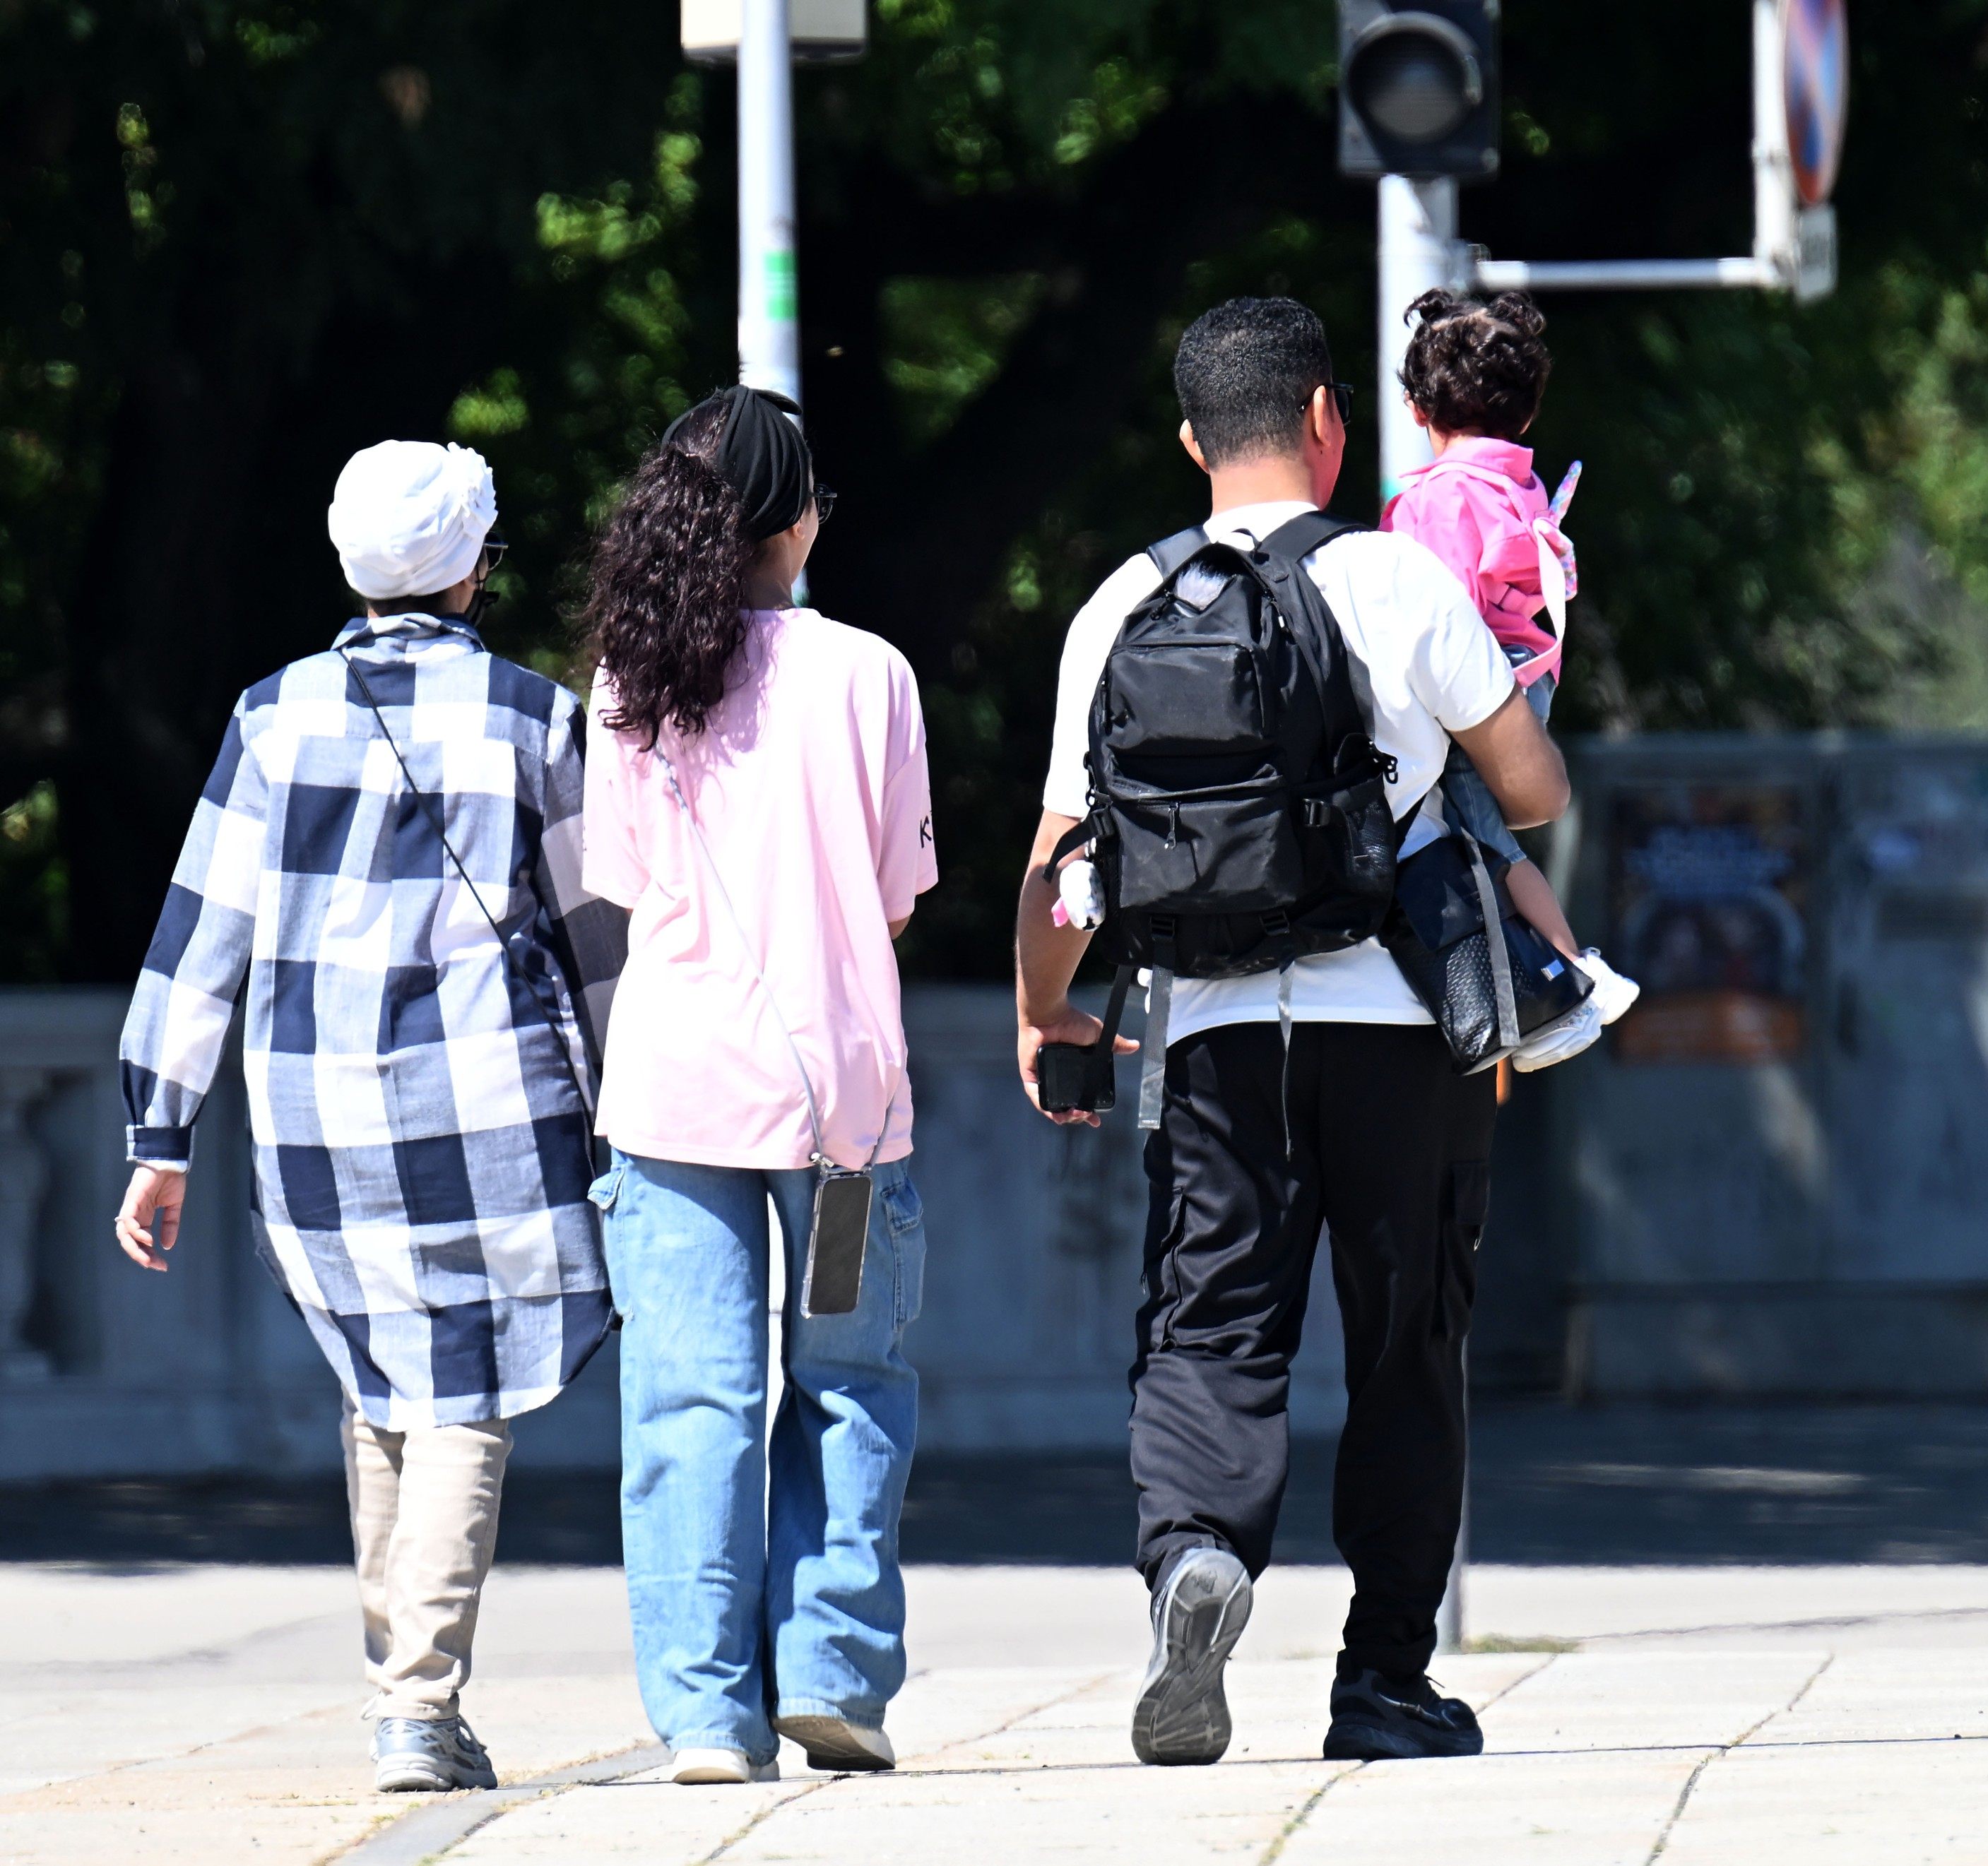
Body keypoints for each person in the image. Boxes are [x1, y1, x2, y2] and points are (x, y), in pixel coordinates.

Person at [1014, 297, 1571, 1766]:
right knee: (1406, 1343)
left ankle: (1196, 1551)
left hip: (1206, 1034)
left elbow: (1060, 858)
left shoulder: (1118, 605)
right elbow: (1532, 791)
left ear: (1192, 437)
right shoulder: (1395, 580)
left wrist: (1048, 1011)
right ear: (1329, 420)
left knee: (1209, 1321)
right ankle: (1384, 1678)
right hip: (1398, 1021)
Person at [114, 441, 625, 1794]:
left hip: (311, 1114)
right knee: (463, 1390)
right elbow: (598, 943)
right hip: (489, 1104)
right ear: (470, 567)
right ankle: (417, 1704)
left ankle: (408, 1702)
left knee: (386, 1384)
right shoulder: (532, 716)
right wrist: (631, 1104)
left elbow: (200, 932)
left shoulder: (271, 715)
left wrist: (158, 1130)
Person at [579, 385, 938, 1787]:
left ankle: (706, 1716)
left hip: (672, 1091)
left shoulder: (630, 677)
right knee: (849, 1379)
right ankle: (838, 1675)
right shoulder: (871, 673)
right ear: (797, 519)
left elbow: (621, 886)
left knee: (688, 1402)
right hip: (841, 1105)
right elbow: (900, 897)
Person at [1383, 287, 1639, 1069]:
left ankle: (1571, 980)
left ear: (1414, 407)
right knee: (1486, 843)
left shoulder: (1434, 500)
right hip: (1525, 695)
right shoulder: (1523, 491)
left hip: (1469, 702)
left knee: (1489, 850)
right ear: (1525, 415)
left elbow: (1431, 617)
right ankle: (1565, 971)